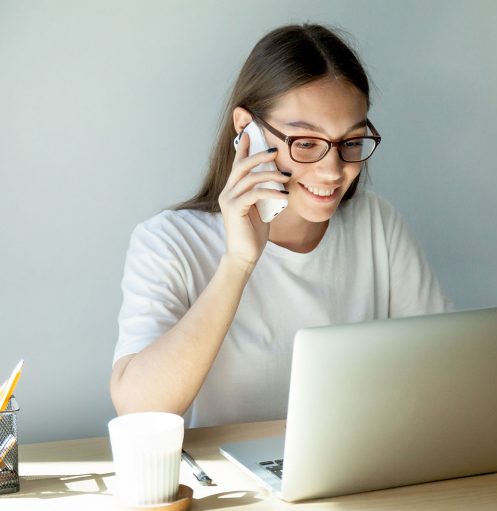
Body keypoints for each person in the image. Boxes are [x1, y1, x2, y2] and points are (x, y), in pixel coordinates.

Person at [110, 23, 453, 428]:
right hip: (234, 485)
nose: (332, 171)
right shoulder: (168, 242)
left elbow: (444, 371)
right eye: (306, 143)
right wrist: (238, 262)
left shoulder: (377, 224)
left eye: (351, 143)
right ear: (247, 131)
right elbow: (138, 410)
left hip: (357, 474)